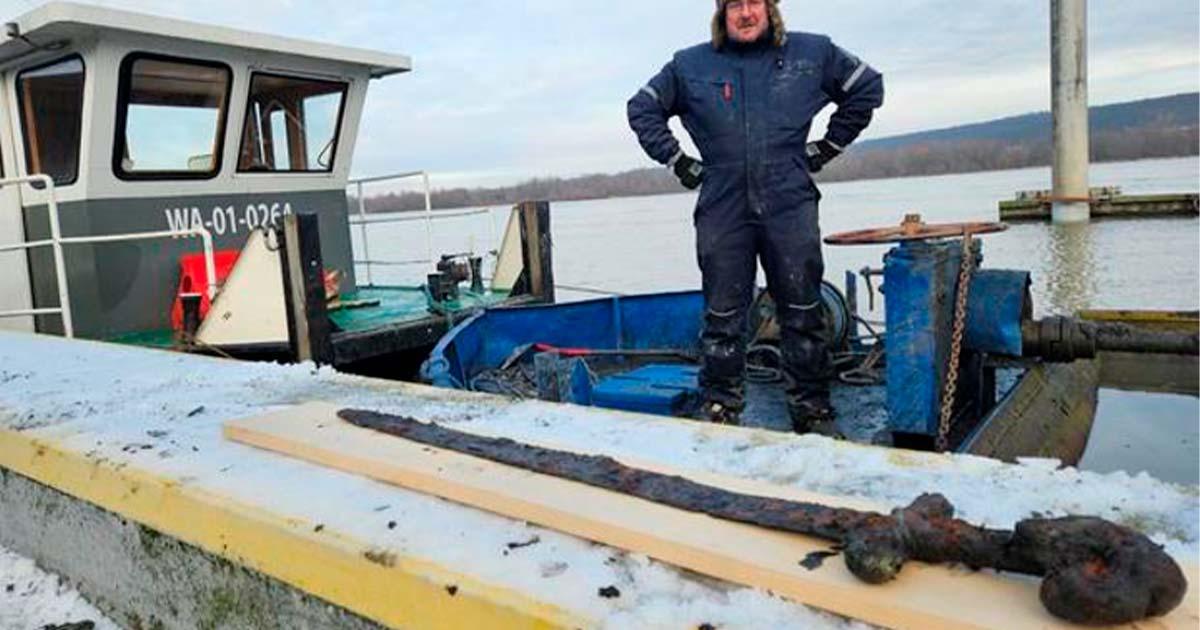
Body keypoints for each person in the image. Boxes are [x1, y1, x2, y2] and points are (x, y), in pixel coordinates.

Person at [626, 0, 883, 434]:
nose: (746, 13)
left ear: (770, 9)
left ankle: (813, 410)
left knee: (803, 310)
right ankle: (721, 409)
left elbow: (867, 87)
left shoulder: (812, 53)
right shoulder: (690, 64)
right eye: (735, 5)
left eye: (754, 3)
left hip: (789, 199)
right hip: (723, 203)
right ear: (722, 14)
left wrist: (828, 147)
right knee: (723, 317)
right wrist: (677, 160)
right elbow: (642, 108)